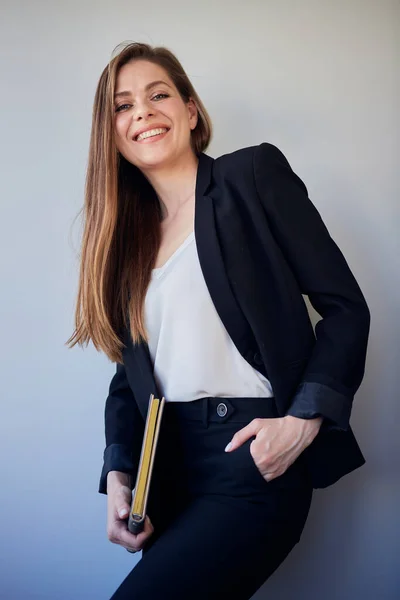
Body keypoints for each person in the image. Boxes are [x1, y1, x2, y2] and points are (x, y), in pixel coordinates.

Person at [66, 41, 370, 600]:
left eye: (158, 95)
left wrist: (302, 421)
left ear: (191, 110)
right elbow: (127, 379)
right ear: (110, 133)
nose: (143, 113)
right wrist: (119, 475)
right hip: (166, 476)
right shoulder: (125, 242)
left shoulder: (250, 176)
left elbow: (346, 308)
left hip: (251, 462)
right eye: (123, 106)